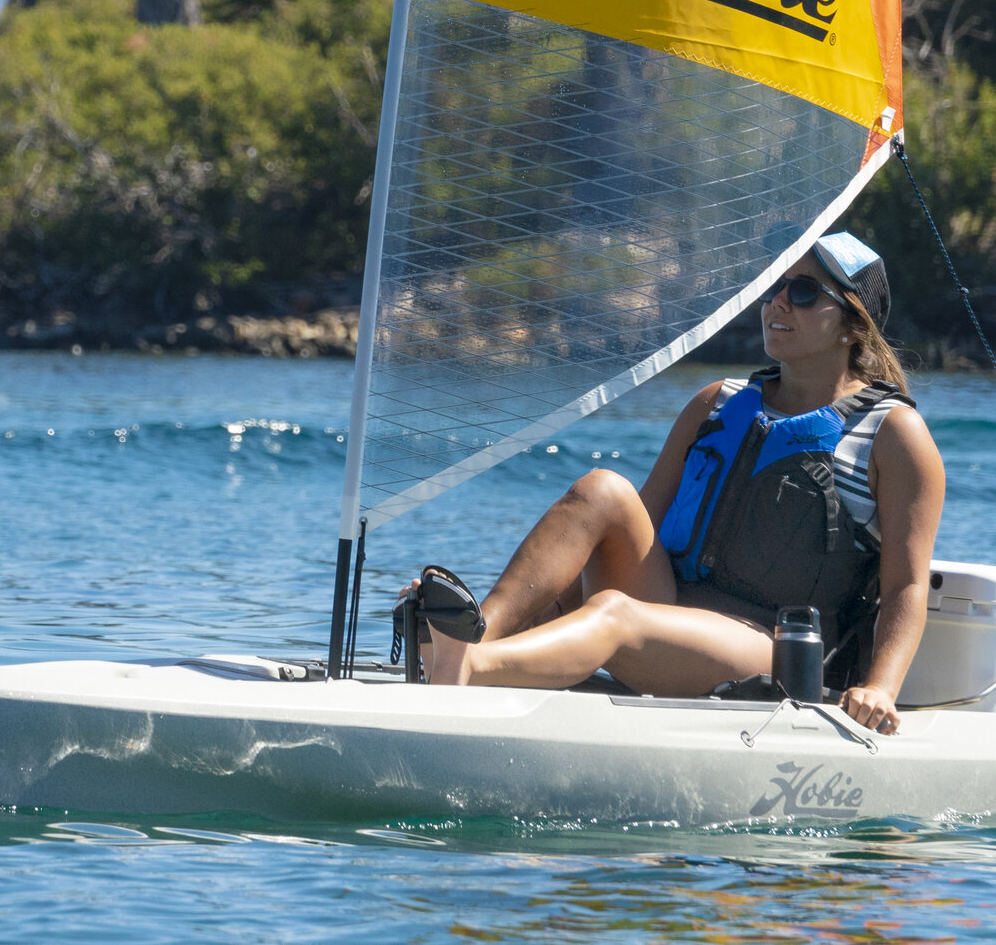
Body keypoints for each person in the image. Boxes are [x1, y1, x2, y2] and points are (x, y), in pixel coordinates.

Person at [400, 231, 944, 735]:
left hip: (769, 646)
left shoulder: (894, 436)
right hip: (668, 612)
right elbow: (631, 530)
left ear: (853, 326)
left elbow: (907, 587)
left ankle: (470, 666)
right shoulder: (718, 403)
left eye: (803, 292)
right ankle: (475, 640)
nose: (778, 302)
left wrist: (880, 688)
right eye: (774, 286)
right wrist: (547, 608)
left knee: (613, 614)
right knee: (602, 490)